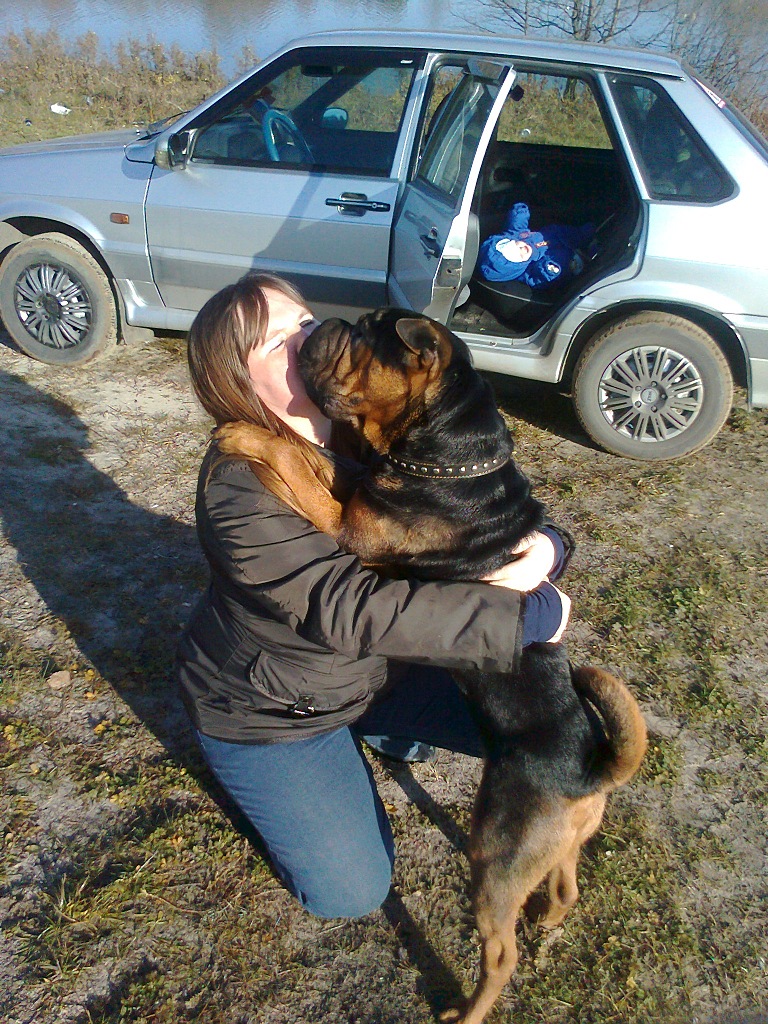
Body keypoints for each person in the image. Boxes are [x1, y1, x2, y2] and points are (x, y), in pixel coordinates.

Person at [176, 272, 572, 920]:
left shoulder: (365, 421)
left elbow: (480, 500)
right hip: (276, 709)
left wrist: (549, 546)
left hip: (377, 673)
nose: (306, 342)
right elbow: (351, 611)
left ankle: (378, 720)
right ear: (236, 381)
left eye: (305, 322)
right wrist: (522, 617)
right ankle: (260, 770)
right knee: (352, 892)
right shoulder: (237, 486)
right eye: (276, 342)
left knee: (549, 735)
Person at [478, 201, 595, 288]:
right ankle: (591, 251)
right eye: (519, 255)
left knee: (561, 231)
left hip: (554, 237)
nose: (522, 248)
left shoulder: (515, 235)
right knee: (576, 263)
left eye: (516, 245)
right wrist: (546, 271)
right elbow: (535, 279)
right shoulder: (526, 271)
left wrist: (519, 213)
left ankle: (586, 233)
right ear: (517, 266)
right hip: (561, 260)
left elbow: (516, 226)